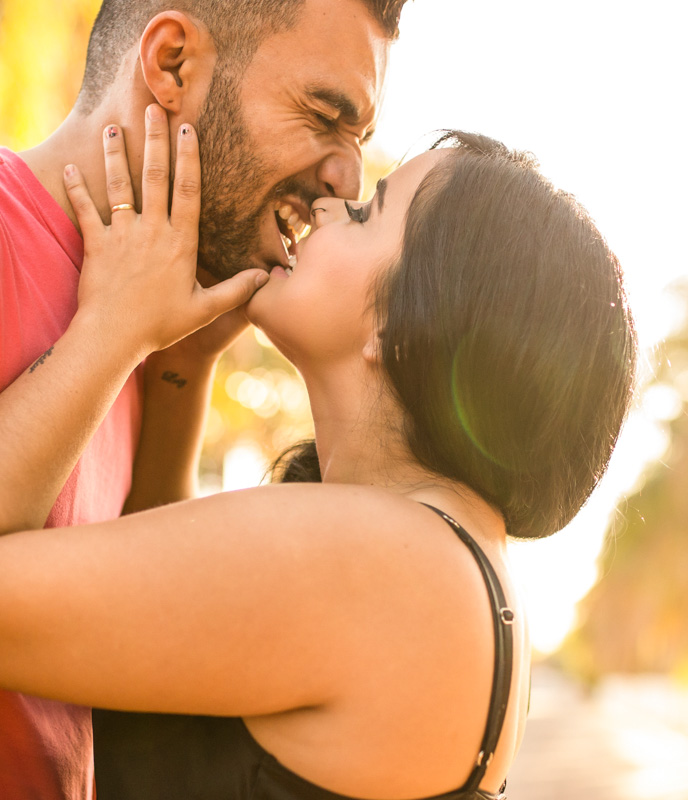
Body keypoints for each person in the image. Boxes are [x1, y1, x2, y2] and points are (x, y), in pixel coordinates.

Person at [0, 118, 638, 798]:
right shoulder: (449, 561)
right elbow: (162, 614)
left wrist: (112, 329)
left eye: (365, 214)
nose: (333, 201)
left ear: (401, 322)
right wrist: (184, 363)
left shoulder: (379, 563)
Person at [0, 1, 403, 796]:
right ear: (173, 63)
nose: (348, 178)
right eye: (326, 117)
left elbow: (128, 635)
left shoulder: (154, 321)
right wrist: (110, 335)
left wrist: (175, 366)